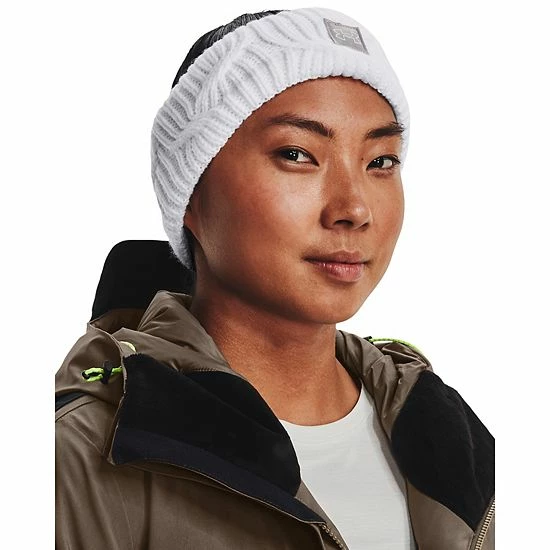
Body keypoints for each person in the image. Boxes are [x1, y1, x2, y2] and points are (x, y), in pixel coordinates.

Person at [55, 7, 494, 549]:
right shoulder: (80, 455)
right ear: (190, 191)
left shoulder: (446, 429)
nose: (355, 209)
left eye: (381, 161)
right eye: (297, 154)